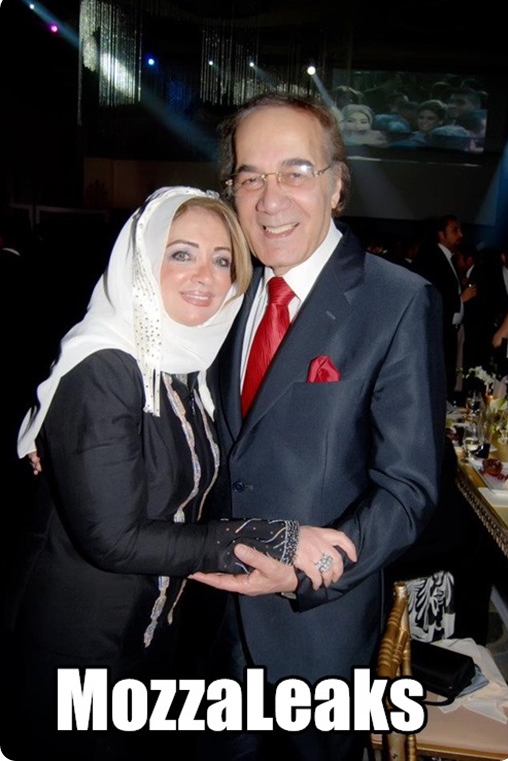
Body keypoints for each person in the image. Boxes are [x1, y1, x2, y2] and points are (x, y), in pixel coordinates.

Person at [3, 185, 355, 761]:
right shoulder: (106, 366)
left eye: (222, 260)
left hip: (151, 637)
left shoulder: (186, 367)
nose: (205, 276)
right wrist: (276, 540)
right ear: (143, 261)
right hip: (79, 649)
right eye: (182, 253)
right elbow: (113, 537)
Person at [190, 93, 446, 761]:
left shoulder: (396, 301)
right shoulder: (221, 291)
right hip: (208, 630)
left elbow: (408, 491)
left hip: (316, 643)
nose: (269, 198)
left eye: (295, 172)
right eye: (250, 176)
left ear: (336, 186)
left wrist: (308, 571)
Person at [413, 214, 477, 398]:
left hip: (448, 331)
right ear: (441, 234)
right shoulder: (432, 258)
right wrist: (460, 299)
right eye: (455, 230)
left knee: (446, 381)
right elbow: (431, 295)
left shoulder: (448, 259)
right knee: (437, 384)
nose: (460, 235)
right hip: (437, 332)